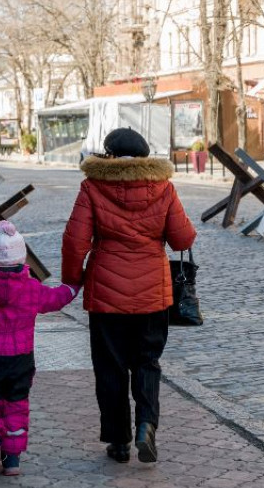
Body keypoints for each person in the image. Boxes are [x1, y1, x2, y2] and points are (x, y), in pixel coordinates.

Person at [62, 127, 196, 464]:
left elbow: (75, 241)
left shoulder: (93, 186)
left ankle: (118, 441)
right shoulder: (164, 187)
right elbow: (182, 239)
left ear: (108, 155)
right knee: (147, 362)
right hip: (153, 294)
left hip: (107, 295)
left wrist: (72, 281)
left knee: (111, 367)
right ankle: (146, 425)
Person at [0, 221, 79, 476]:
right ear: (22, 258)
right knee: (16, 405)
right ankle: (12, 461)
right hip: (21, 360)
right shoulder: (32, 289)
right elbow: (56, 299)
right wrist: (73, 286)